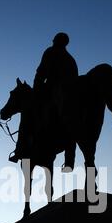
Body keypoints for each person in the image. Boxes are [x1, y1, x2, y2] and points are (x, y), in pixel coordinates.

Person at [33, 33, 78, 171]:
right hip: (69, 97)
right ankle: (69, 161)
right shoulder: (71, 59)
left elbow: (41, 72)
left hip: (52, 91)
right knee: (72, 127)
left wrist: (36, 90)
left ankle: (22, 149)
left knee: (30, 114)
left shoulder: (50, 52)